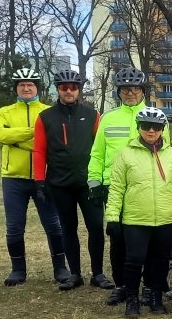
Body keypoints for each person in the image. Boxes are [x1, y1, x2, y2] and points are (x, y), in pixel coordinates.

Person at [88, 66, 171, 305]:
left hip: (145, 187)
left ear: (142, 90)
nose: (130, 93)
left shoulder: (153, 115)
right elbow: (97, 153)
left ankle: (149, 284)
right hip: (113, 187)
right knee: (118, 239)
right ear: (119, 92)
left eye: (134, 88)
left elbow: (166, 151)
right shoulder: (108, 118)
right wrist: (94, 182)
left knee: (148, 238)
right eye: (125, 89)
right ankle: (122, 284)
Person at [105, 107, 172, 318]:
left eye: (155, 127)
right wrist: (113, 217)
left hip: (166, 217)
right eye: (145, 126)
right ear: (139, 128)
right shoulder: (126, 154)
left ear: (163, 129)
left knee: (160, 259)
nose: (150, 131)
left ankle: (155, 297)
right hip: (136, 217)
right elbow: (117, 187)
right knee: (134, 259)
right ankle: (132, 299)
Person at [32, 69, 113, 291]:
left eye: (73, 87)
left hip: (89, 182)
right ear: (57, 89)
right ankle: (74, 274)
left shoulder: (92, 114)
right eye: (64, 87)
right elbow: (39, 151)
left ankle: (98, 273)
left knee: (96, 227)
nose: (69, 91)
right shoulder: (45, 117)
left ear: (79, 90)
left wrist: (103, 179)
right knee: (68, 228)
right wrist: (40, 181)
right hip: (59, 182)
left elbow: (102, 148)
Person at [0, 68, 69, 287]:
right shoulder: (4, 112)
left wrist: (15, 139)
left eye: (31, 85)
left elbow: (53, 142)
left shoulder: (49, 111)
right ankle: (18, 270)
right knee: (14, 226)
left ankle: (60, 268)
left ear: (37, 87)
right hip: (13, 178)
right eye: (21, 85)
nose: (26, 88)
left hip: (44, 177)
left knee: (54, 225)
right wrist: (35, 132)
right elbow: (1, 135)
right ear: (16, 88)